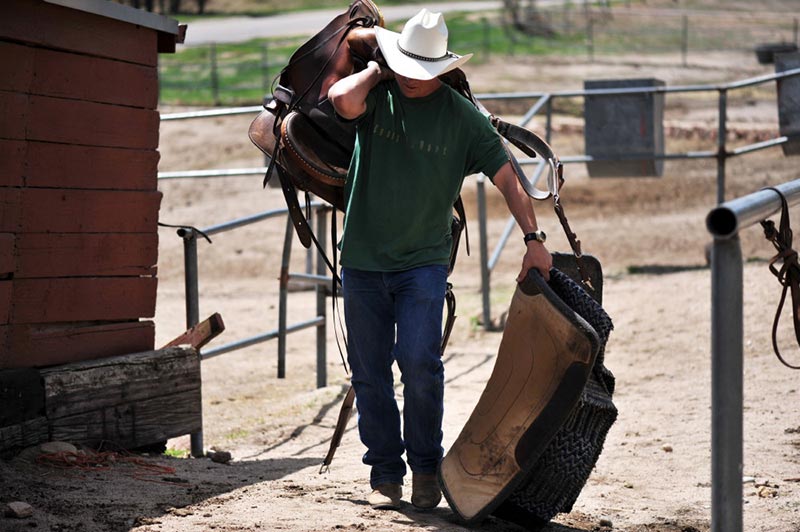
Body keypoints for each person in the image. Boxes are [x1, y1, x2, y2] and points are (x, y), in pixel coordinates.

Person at [327, 8, 552, 511]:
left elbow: (508, 178)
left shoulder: (462, 118)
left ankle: (426, 467)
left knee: (419, 364)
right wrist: (379, 69)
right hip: (362, 259)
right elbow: (340, 100)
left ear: (441, 70)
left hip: (423, 264)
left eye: (421, 71)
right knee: (368, 372)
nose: (413, 79)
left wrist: (534, 238)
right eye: (406, 67)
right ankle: (385, 469)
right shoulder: (377, 94)